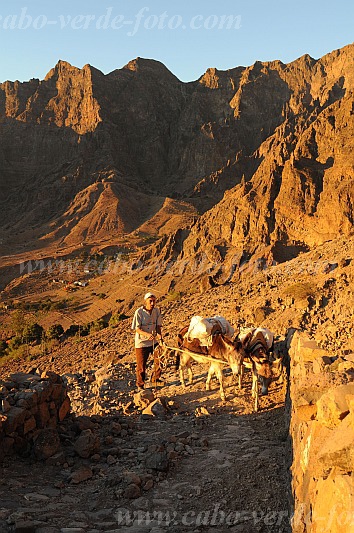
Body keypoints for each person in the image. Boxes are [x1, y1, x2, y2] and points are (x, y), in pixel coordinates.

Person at [131, 292, 164, 391]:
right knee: (141, 365)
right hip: (142, 343)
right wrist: (147, 335)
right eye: (150, 301)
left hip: (153, 341)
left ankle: (155, 380)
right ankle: (140, 385)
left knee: (160, 360)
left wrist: (160, 336)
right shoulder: (139, 312)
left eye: (154, 301)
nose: (152, 303)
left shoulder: (157, 311)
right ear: (145, 301)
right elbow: (137, 329)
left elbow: (158, 326)